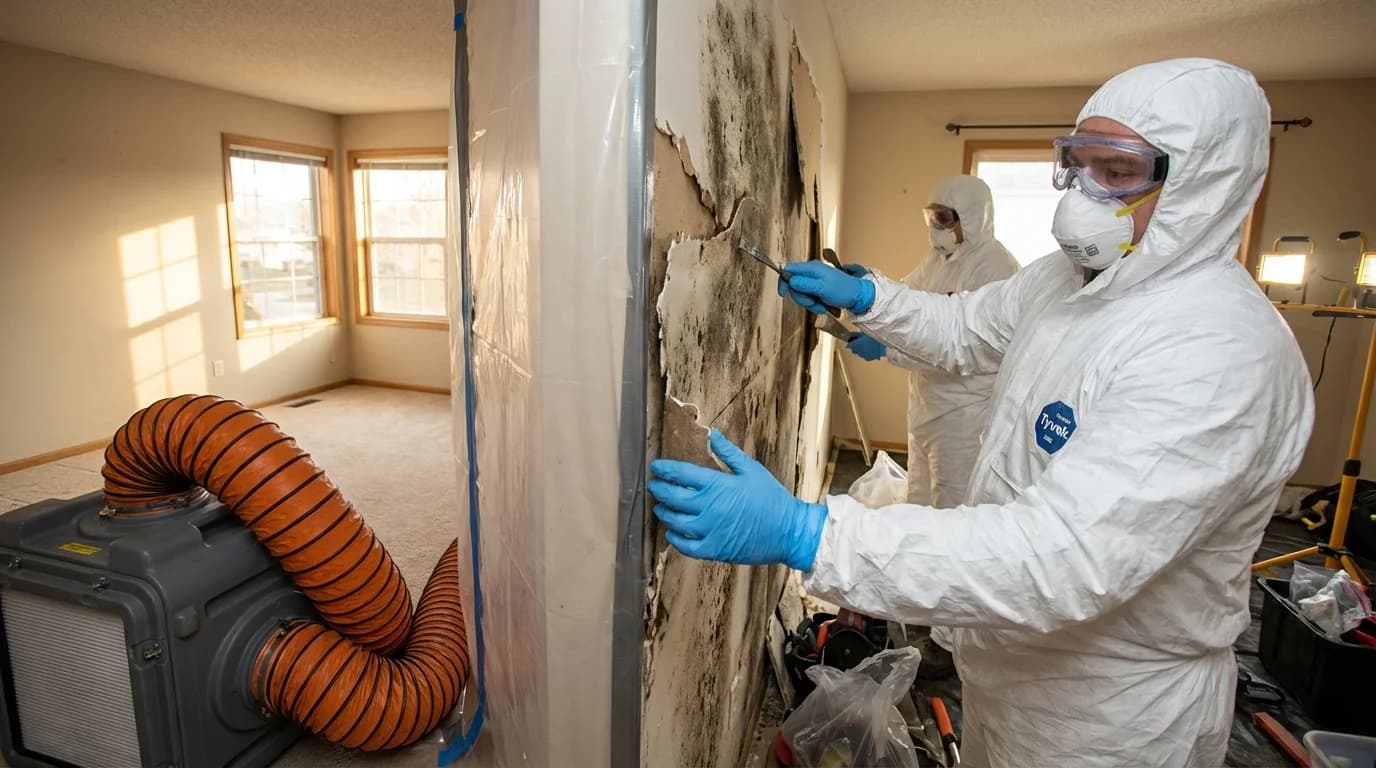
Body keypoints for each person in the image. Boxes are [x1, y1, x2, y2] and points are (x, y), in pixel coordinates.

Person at [647, 58, 1314, 767]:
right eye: (1075, 163)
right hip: (1007, 676)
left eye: (1115, 173)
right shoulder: (1069, 279)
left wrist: (812, 535)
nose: (1083, 194)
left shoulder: (1216, 353)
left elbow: (1059, 559)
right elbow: (967, 329)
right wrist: (868, 298)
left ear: (1202, 187)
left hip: (1111, 721)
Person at [845, 175, 1019, 507]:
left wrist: (887, 349)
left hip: (964, 414)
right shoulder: (940, 259)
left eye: (944, 218)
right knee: (918, 496)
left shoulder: (996, 270)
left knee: (949, 506)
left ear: (971, 217)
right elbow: (908, 297)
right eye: (932, 217)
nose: (935, 228)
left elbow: (961, 347)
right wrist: (869, 288)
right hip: (927, 403)